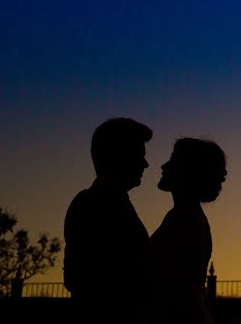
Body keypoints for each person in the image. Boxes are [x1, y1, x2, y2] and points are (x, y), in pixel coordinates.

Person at [63, 117, 154, 324]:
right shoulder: (100, 203)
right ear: (120, 155)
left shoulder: (96, 201)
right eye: (140, 155)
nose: (145, 164)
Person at [146, 138, 227, 324]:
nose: (164, 166)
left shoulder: (183, 219)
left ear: (187, 171)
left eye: (173, 160)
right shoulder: (188, 217)